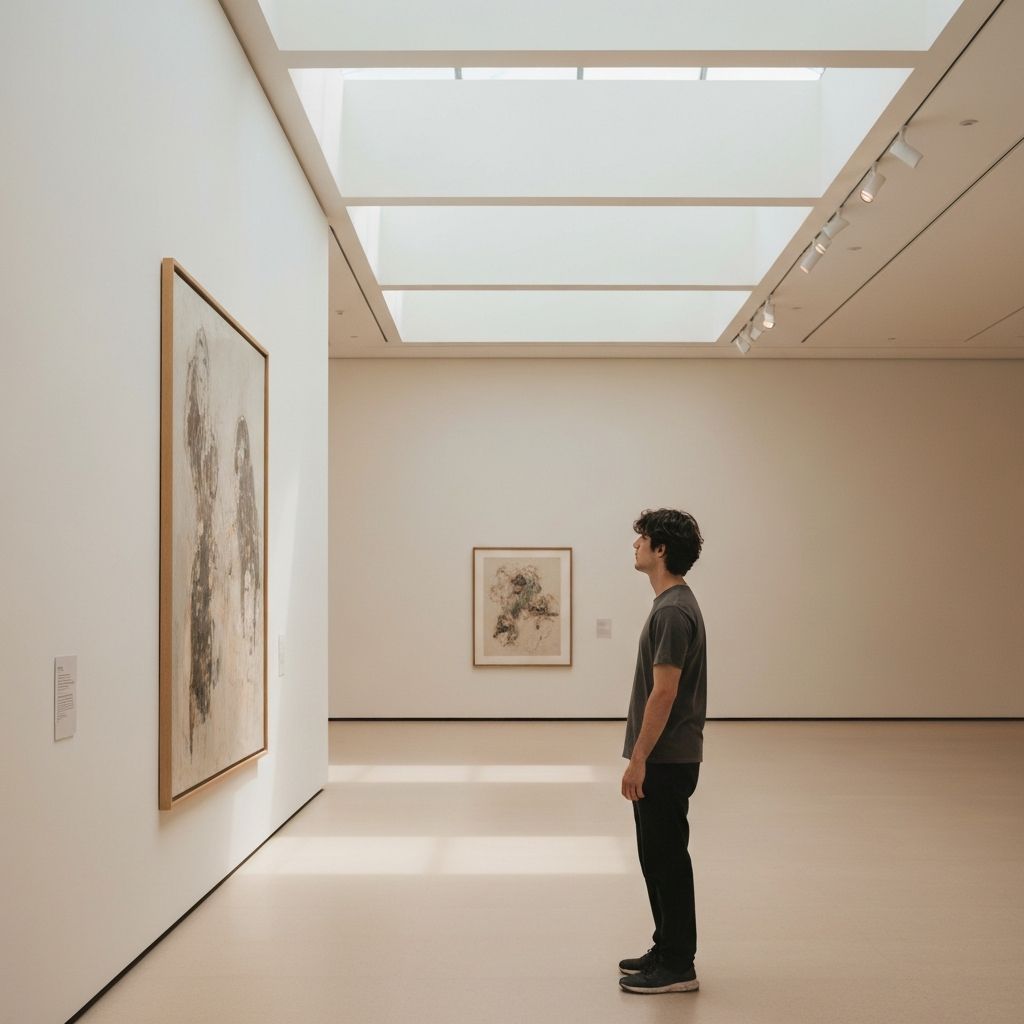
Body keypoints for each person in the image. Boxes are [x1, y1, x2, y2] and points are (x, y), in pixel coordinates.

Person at [618, 508, 707, 995]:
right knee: (656, 856)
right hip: (665, 757)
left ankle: (678, 964)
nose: (635, 546)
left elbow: (665, 692)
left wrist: (639, 758)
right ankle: (665, 945)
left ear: (661, 550)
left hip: (666, 759)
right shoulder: (670, 604)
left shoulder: (672, 610)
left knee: (667, 859)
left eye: (642, 540)